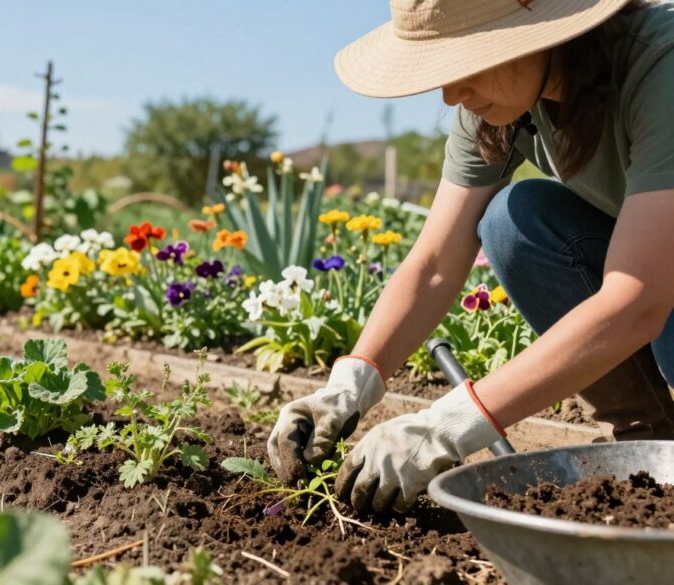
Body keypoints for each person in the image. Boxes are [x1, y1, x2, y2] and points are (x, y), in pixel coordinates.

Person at [267, 0, 674, 514]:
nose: (450, 92)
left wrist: (447, 426)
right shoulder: (504, 103)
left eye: (469, 59)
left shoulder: (661, 64)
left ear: (537, 32)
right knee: (515, 219)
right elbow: (436, 260)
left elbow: (637, 299)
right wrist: (349, 384)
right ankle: (649, 446)